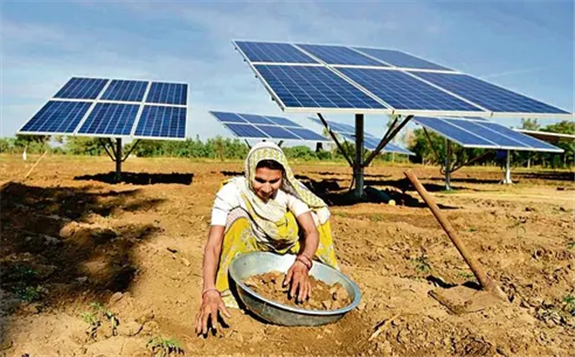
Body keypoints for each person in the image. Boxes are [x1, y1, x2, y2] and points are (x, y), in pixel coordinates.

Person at [195, 142, 339, 335]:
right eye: (260, 180)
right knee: (236, 218)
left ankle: (314, 273)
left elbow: (311, 232)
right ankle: (228, 286)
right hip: (254, 242)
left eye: (274, 181)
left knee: (313, 219)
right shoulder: (232, 193)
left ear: (283, 177)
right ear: (248, 173)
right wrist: (208, 290)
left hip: (289, 244)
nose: (266, 188)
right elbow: (213, 244)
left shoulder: (289, 192)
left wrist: (304, 262)